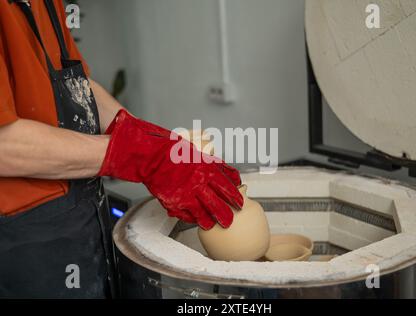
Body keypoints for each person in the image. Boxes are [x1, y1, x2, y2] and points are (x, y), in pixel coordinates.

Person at [0, 0, 243, 298]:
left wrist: (149, 138)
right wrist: (141, 155)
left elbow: (78, 88)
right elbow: (5, 145)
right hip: (20, 242)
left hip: (81, 221)